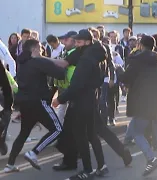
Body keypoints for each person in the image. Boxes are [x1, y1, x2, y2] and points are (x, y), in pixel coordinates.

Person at [52, 29, 108, 180]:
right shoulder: (97, 55)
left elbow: (76, 84)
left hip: (81, 101)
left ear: (87, 42)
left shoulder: (85, 58)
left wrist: (60, 99)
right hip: (90, 99)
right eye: (75, 41)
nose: (76, 44)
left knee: (80, 136)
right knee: (91, 134)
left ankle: (88, 170)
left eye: (79, 42)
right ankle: (102, 166)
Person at [4, 39, 66, 172]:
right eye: (41, 48)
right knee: (57, 129)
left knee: (24, 133)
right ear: (35, 49)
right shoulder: (39, 61)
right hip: (38, 102)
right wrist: (51, 61)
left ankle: (10, 164)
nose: (42, 50)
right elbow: (61, 74)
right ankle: (34, 152)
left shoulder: (22, 63)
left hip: (25, 104)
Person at [123, 35, 157, 177]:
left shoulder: (135, 60)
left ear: (141, 45)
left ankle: (151, 158)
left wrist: (119, 71)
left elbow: (126, 78)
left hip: (142, 102)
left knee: (136, 132)